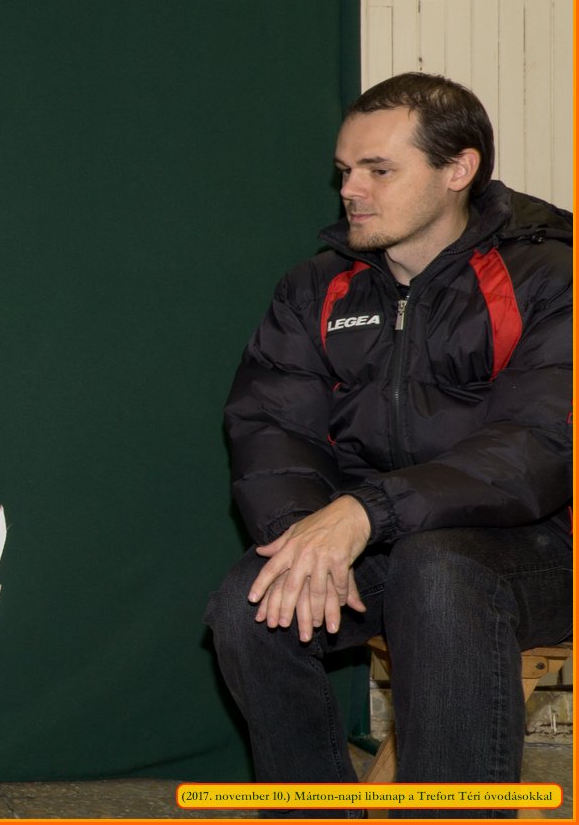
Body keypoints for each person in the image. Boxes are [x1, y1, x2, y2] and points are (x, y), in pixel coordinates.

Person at [205, 73, 571, 813]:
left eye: (378, 170)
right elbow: (271, 428)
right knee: (251, 604)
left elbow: (541, 444)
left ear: (458, 170)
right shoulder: (316, 289)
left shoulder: (551, 275)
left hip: (541, 542)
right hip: (388, 538)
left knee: (439, 570)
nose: (351, 190)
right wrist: (304, 538)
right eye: (345, 170)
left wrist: (368, 512)